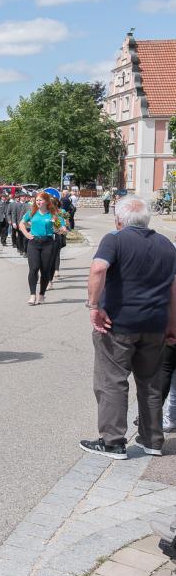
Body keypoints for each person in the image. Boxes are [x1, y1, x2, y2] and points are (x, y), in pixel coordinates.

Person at [80, 195, 176, 459]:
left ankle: (113, 442)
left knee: (112, 380)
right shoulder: (166, 244)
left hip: (119, 323)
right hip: (154, 324)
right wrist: (172, 324)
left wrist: (93, 306)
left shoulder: (115, 239)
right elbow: (173, 288)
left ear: (119, 220)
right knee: (151, 384)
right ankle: (153, 440)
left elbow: (98, 268)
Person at [19, 191, 66, 305]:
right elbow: (21, 224)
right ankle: (32, 295)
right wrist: (27, 234)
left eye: (41, 200)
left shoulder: (53, 214)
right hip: (34, 243)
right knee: (33, 269)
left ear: (46, 201)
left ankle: (41, 295)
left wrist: (59, 229)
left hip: (48, 243)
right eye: (37, 200)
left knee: (45, 270)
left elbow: (63, 228)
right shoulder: (32, 212)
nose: (38, 202)